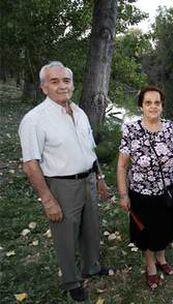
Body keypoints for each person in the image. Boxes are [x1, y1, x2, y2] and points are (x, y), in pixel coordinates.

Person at [18, 61, 112, 302]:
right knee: (66, 235)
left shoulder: (79, 112)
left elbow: (89, 149)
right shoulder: (34, 120)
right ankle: (71, 281)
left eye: (66, 80)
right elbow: (31, 163)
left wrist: (99, 178)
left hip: (88, 180)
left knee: (91, 228)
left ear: (72, 83)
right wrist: (48, 200)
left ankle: (91, 266)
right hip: (62, 185)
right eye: (54, 81)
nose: (62, 86)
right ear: (43, 88)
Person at [117, 85, 173, 290]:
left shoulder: (170, 127)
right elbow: (122, 165)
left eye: (157, 103)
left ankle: (161, 257)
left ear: (162, 105)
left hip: (168, 192)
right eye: (148, 102)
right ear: (141, 106)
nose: (153, 106)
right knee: (148, 232)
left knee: (165, 229)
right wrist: (124, 194)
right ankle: (151, 265)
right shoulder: (131, 129)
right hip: (142, 194)